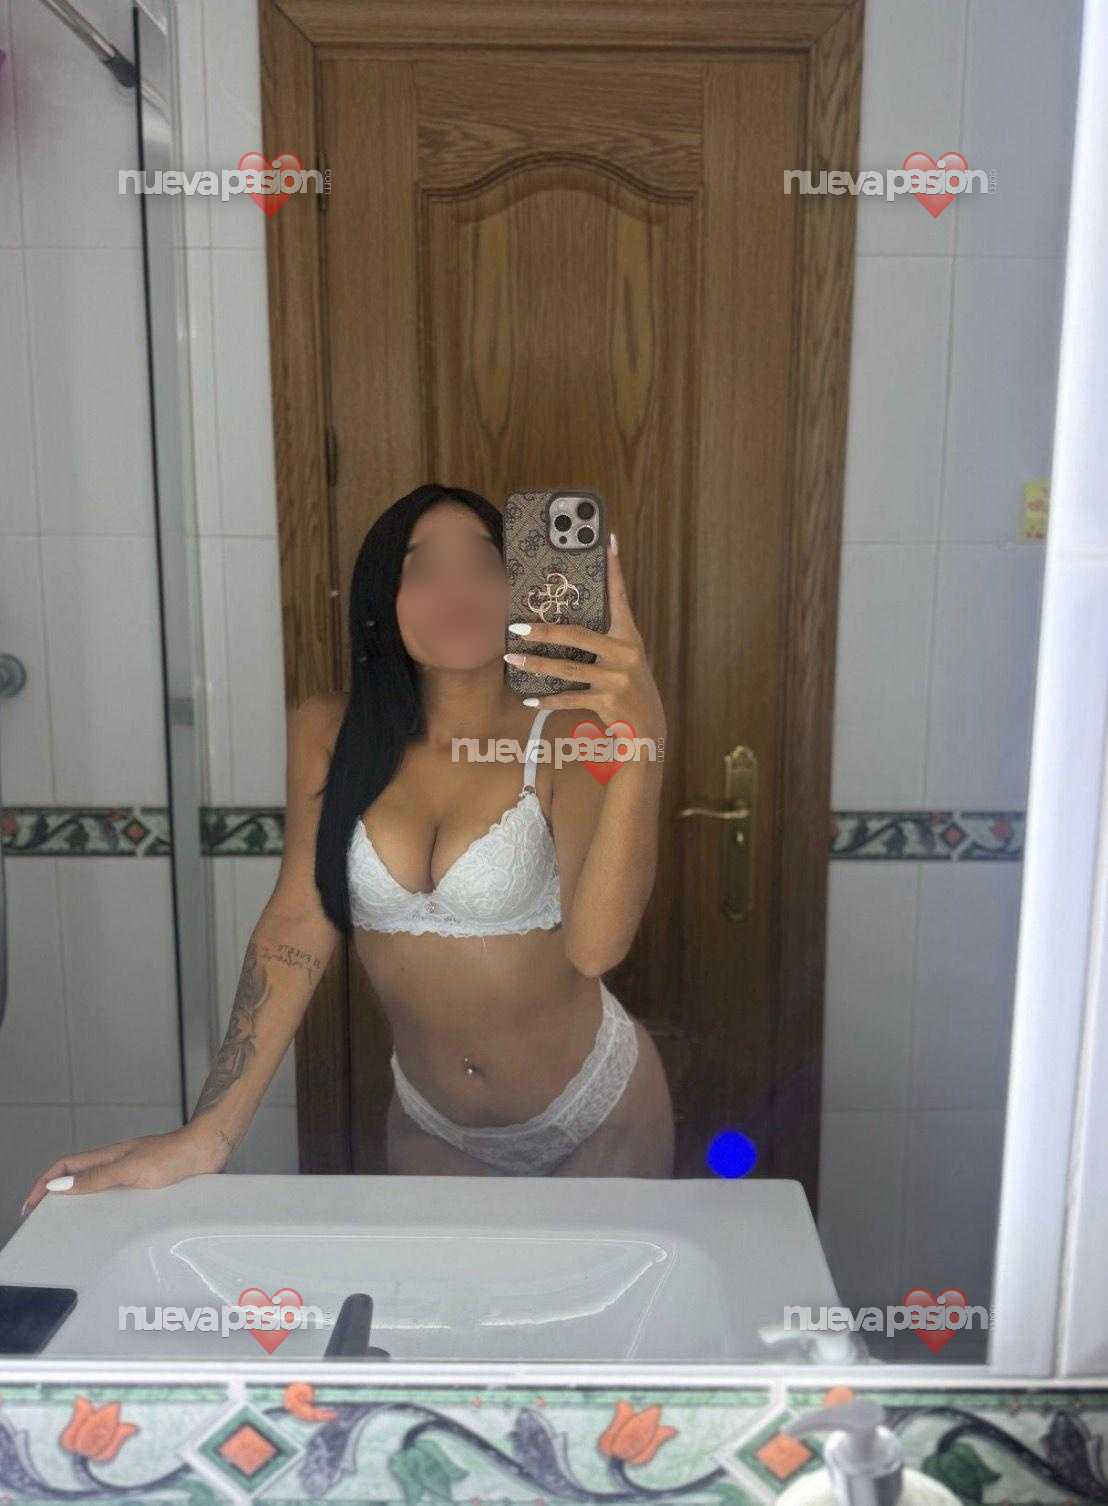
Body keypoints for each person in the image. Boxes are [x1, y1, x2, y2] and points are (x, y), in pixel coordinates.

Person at [21, 484, 674, 1210]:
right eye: (423, 570)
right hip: (434, 1131)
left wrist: (642, 744)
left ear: (520, 586)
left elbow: (596, 948)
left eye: (483, 565)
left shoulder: (567, 732)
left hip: (597, 1118)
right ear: (382, 599)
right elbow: (297, 927)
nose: (456, 591)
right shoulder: (328, 732)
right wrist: (209, 1134)